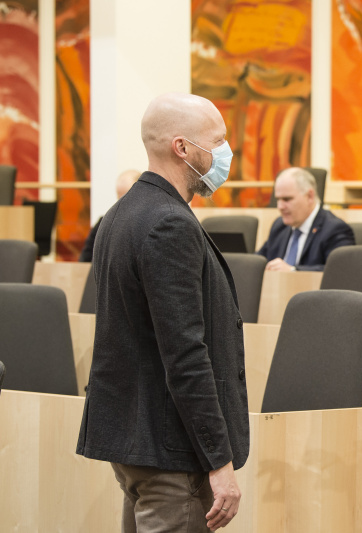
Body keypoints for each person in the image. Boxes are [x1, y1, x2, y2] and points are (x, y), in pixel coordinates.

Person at [76, 93, 249, 532]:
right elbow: (186, 355)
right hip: (172, 449)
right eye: (218, 141)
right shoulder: (168, 222)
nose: (226, 152)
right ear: (182, 148)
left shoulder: (122, 214)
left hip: (139, 440)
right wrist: (219, 461)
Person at [256, 167, 354, 271]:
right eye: (278, 199)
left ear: (310, 196)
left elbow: (340, 271)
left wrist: (292, 271)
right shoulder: (280, 226)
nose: (280, 206)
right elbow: (258, 260)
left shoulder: (335, 229)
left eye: (287, 199)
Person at [78, 169, 139, 262]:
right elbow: (85, 259)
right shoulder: (103, 223)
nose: (123, 203)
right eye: (119, 197)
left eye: (127, 197)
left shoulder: (146, 225)